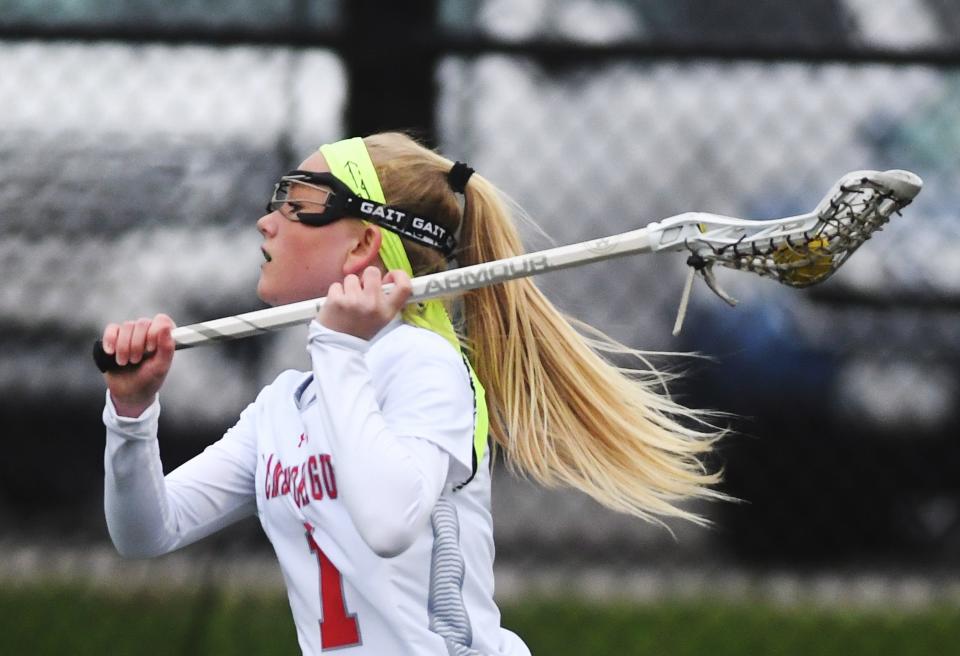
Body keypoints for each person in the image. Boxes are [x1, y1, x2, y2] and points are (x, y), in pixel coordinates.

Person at [100, 133, 725, 655]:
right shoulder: (286, 406)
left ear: (363, 244)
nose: (268, 219)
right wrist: (131, 415)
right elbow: (147, 530)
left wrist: (341, 349)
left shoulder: (425, 365)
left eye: (299, 201)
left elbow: (388, 522)